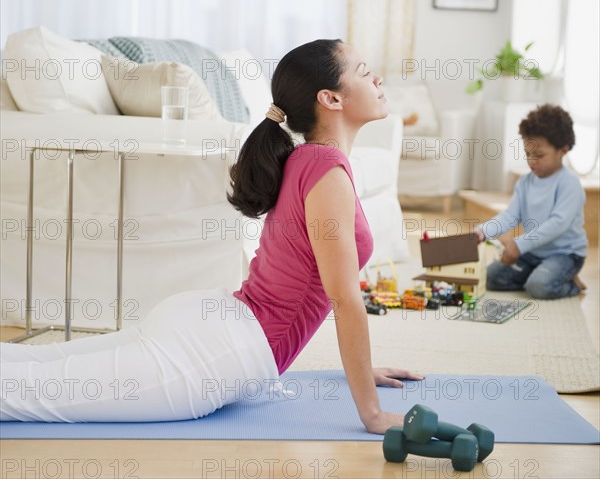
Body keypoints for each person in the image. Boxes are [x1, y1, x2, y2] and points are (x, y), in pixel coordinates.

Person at [1, 39, 423, 433]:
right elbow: (344, 298)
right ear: (330, 98)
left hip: (214, 326)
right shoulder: (326, 170)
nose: (377, 79)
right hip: (216, 355)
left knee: (40, 363)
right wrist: (370, 413)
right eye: (365, 72)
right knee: (30, 392)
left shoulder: (306, 159)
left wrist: (362, 370)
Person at [474, 104, 588, 299]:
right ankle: (539, 273)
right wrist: (483, 231)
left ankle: (571, 283)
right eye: (528, 154)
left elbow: (557, 224)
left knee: (539, 287)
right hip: (532, 251)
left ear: (563, 150)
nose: (532, 161)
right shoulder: (525, 182)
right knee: (490, 278)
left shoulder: (569, 183)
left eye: (539, 155)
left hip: (564, 254)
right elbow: (510, 215)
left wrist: (519, 244)